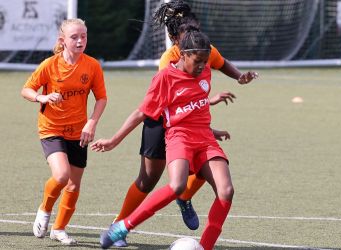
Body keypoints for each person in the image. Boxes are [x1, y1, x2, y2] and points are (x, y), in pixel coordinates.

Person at [109, 1, 258, 246]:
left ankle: (184, 198)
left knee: (204, 168)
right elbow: (174, 101)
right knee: (147, 180)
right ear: (175, 39)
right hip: (160, 120)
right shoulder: (168, 64)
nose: (194, 36)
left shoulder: (202, 50)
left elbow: (220, 64)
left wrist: (240, 76)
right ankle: (119, 224)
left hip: (191, 122)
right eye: (187, 34)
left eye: (195, 30)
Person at [92, 30, 233, 250]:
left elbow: (197, 106)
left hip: (205, 138)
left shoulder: (205, 71)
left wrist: (212, 130)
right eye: (197, 61)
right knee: (176, 185)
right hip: (179, 137)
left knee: (226, 191)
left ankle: (205, 248)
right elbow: (142, 112)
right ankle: (122, 226)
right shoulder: (165, 78)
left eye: (205, 61)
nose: (202, 66)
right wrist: (114, 140)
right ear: (183, 55)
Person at [21, 18, 107, 245]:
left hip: (79, 132)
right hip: (52, 128)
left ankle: (59, 229)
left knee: (73, 185)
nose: (80, 41)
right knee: (61, 175)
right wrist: (42, 97)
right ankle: (45, 208)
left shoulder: (92, 66)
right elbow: (27, 89)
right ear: (63, 40)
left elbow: (101, 98)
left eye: (84, 37)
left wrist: (92, 122)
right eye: (74, 37)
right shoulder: (49, 65)